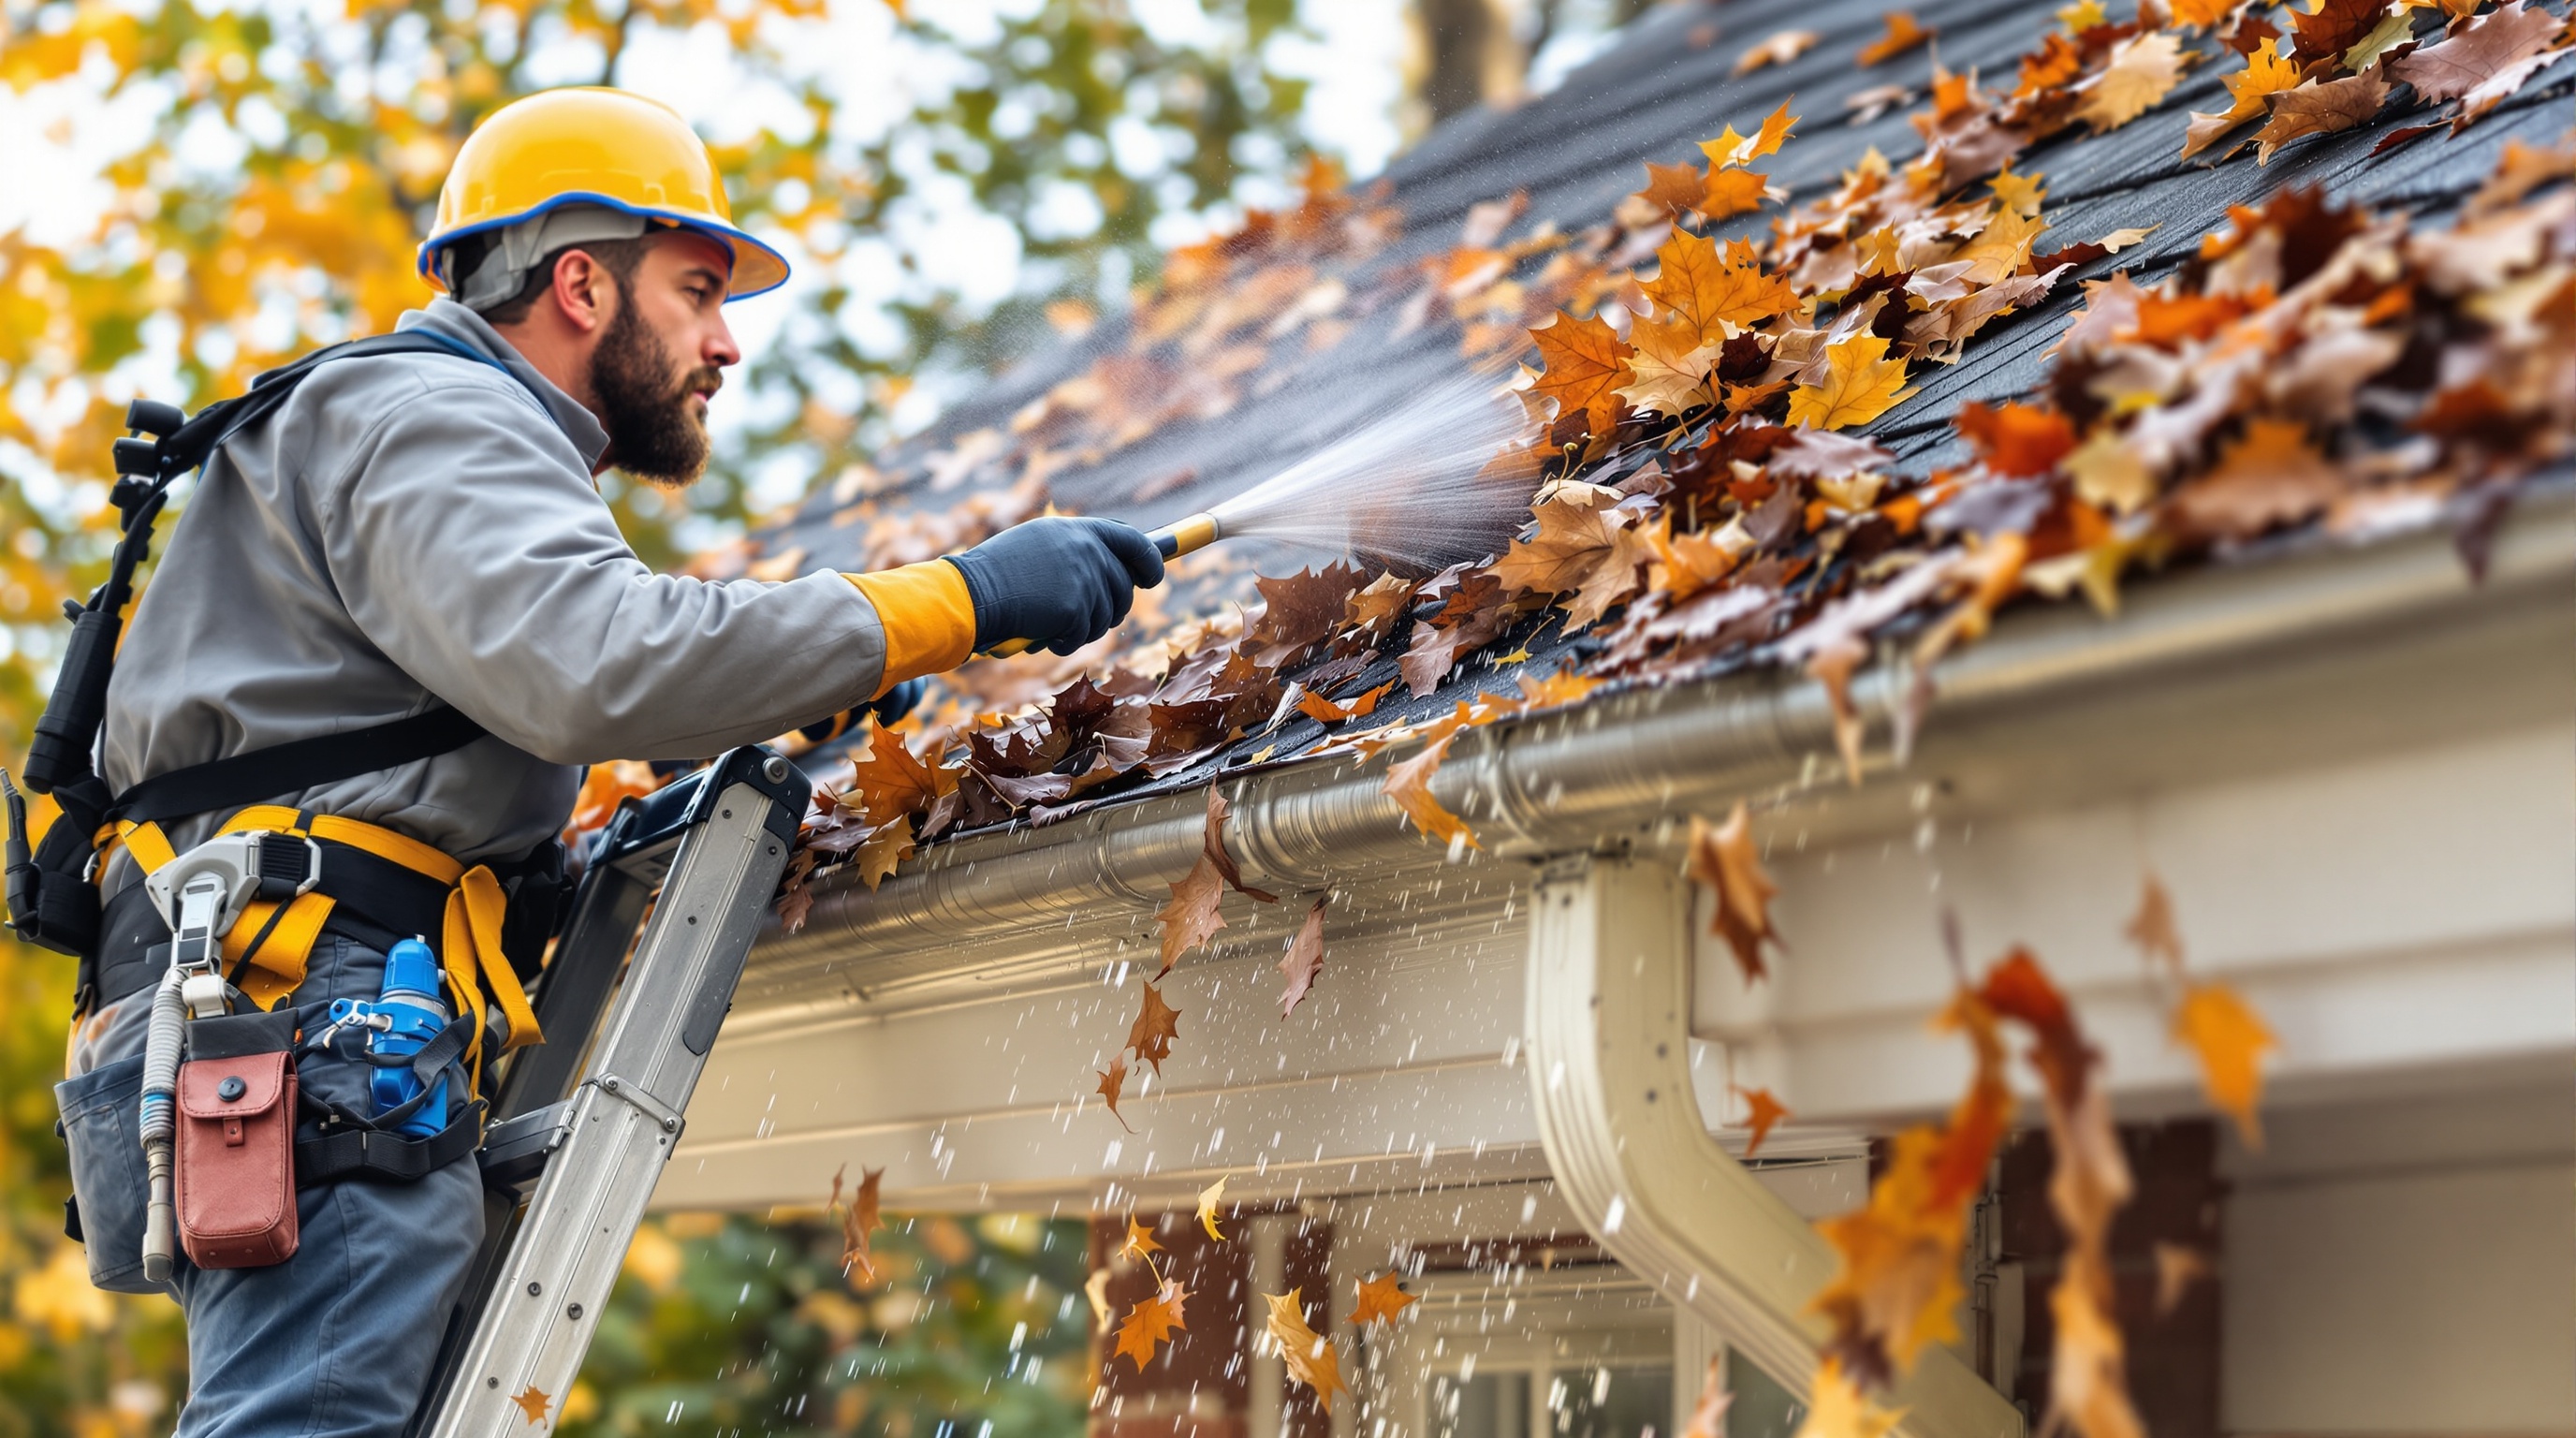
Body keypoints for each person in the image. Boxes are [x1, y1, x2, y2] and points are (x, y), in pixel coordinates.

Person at [51, 85, 1162, 1438]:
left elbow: (461, 723)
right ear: (580, 284)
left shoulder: (380, 424)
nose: (725, 341)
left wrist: (778, 703)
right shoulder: (434, 417)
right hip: (315, 1001)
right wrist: (962, 597)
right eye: (699, 288)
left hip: (277, 995)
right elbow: (603, 662)